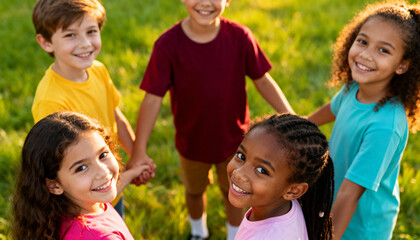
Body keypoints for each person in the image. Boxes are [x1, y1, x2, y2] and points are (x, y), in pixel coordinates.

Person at [127, 0, 294, 239]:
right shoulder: (167, 45)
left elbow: (262, 80)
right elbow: (152, 99)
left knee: (236, 194)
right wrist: (139, 150)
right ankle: (198, 232)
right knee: (194, 192)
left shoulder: (240, 37)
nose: (205, 3)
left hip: (236, 144)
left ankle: (235, 235)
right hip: (191, 144)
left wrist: (291, 116)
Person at [307, 1, 420, 239]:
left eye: (383, 50)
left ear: (402, 65)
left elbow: (350, 193)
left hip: (361, 227)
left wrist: (327, 237)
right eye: (363, 41)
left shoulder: (385, 127)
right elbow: (335, 108)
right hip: (333, 199)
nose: (366, 55)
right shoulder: (354, 87)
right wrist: (307, 122)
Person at [31, 0, 138, 217]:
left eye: (91, 31)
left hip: (107, 178)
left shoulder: (98, 70)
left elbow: (116, 117)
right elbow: (65, 168)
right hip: (83, 200)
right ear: (46, 42)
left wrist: (137, 156)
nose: (85, 43)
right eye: (70, 35)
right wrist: (132, 173)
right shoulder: (51, 102)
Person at [11, 111, 150, 240]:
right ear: (54, 185)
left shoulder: (58, 212)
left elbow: (107, 193)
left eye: (102, 155)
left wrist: (132, 173)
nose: (102, 172)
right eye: (81, 168)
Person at [227, 113, 334, 240]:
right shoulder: (284, 206)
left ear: (293, 190)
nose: (239, 173)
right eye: (241, 156)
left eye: (262, 170)